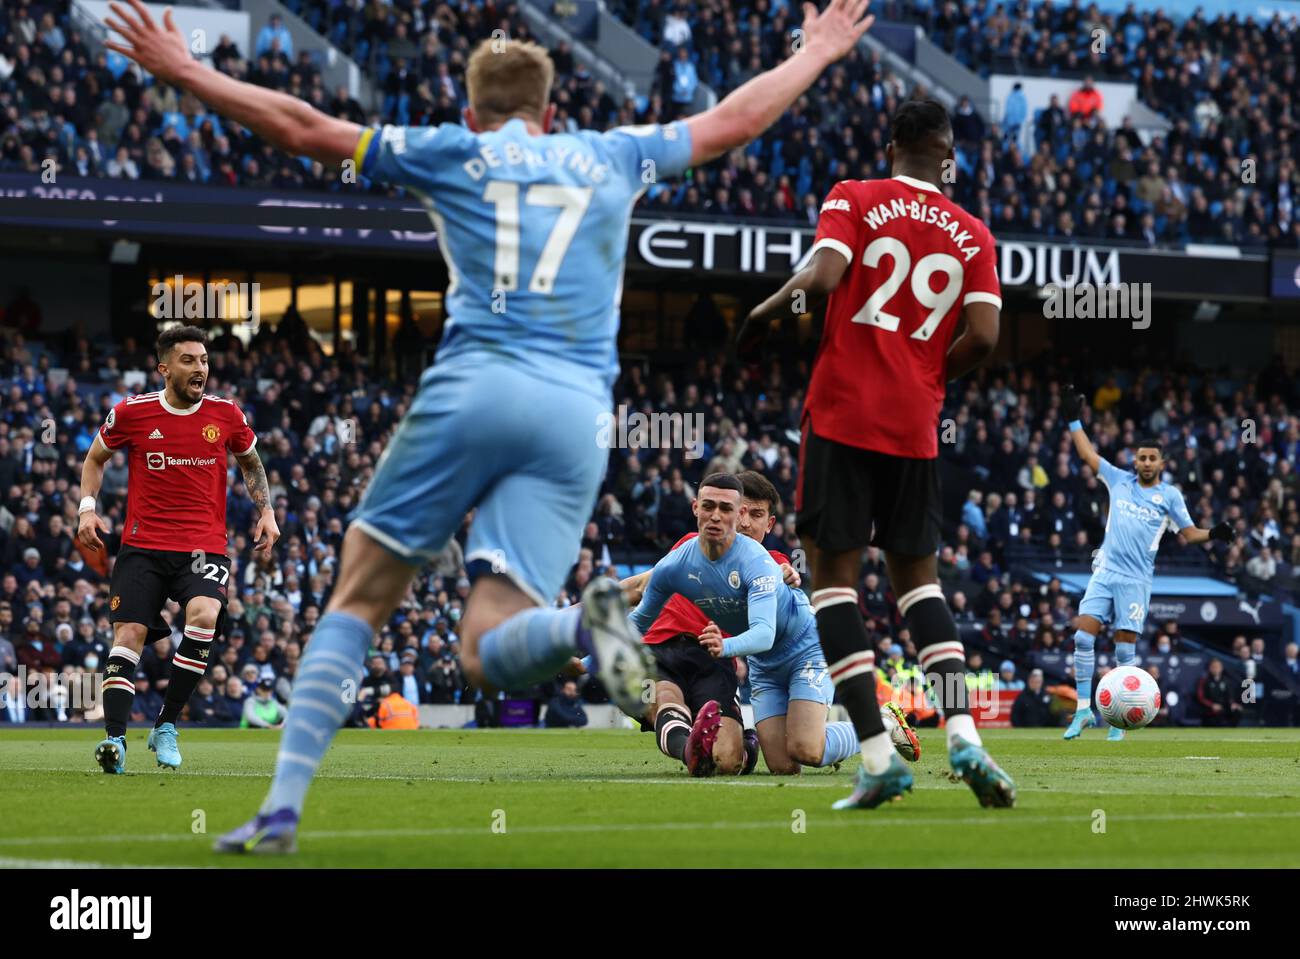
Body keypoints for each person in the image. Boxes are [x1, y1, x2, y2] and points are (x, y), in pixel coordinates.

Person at [87, 0, 876, 852]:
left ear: (472, 113)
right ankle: (583, 624)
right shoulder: (613, 152)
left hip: (473, 390)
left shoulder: (451, 149)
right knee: (490, 638)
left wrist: (187, 71)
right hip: (576, 417)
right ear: (553, 114)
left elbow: (304, 125)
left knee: (358, 595)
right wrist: (820, 51)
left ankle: (282, 808)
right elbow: (735, 120)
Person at [737, 98, 1014, 810]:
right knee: (922, 587)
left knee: (834, 582)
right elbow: (983, 336)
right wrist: (925, 376)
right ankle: (965, 739)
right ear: (947, 154)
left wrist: (765, 313)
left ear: (892, 143)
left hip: (842, 415)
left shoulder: (853, 197)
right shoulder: (974, 233)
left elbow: (824, 279)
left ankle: (878, 754)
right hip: (916, 425)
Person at [78, 325, 275, 773]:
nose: (200, 368)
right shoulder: (132, 412)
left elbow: (251, 462)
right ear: (164, 368)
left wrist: (266, 511)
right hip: (142, 546)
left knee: (204, 614)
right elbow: (94, 459)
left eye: (204, 360)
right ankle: (115, 742)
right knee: (129, 635)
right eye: (189, 360)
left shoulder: (226, 415)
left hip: (202, 546)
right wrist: (87, 510)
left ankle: (165, 725)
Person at [628, 474, 863, 778]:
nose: (746, 523)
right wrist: (577, 637)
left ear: (770, 523)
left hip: (804, 649)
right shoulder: (691, 550)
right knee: (783, 765)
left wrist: (786, 576)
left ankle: (875, 726)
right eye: (742, 513)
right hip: (763, 663)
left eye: (757, 515)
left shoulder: (769, 562)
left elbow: (778, 580)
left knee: (806, 750)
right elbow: (639, 587)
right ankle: (745, 745)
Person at [1059, 387, 1232, 742]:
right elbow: (1088, 453)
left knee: (1124, 649)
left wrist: (1214, 533)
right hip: (1104, 572)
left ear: (1161, 463)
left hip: (1136, 580)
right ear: (1134, 461)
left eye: (1153, 458)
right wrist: (1074, 419)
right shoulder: (1118, 479)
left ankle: (1119, 722)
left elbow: (1189, 533)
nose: (1147, 463)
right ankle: (1081, 711)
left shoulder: (1169, 496)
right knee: (1082, 637)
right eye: (1142, 457)